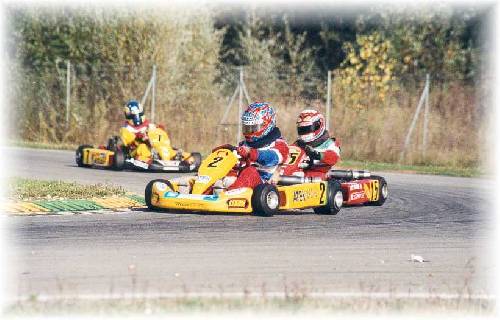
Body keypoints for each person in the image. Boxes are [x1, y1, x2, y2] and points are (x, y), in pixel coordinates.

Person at [214, 102, 289, 190]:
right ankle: (199, 193)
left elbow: (272, 158)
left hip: (264, 184)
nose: (249, 132)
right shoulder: (245, 144)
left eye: (253, 128)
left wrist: (251, 153)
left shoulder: (279, 144)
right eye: (247, 128)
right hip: (241, 181)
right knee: (219, 173)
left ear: (266, 125)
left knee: (250, 172)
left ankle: (228, 195)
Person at [119, 99, 178, 164]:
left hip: (154, 146)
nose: (136, 117)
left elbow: (156, 134)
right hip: (136, 150)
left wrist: (159, 131)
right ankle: (153, 157)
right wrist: (139, 137)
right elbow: (128, 142)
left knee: (165, 144)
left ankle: (173, 156)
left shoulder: (149, 125)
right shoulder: (126, 129)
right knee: (142, 148)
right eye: (133, 114)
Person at [292, 109, 341, 179]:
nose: (305, 132)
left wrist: (318, 155)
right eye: (302, 129)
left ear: (318, 125)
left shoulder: (330, 143)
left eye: (308, 128)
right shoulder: (298, 144)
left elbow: (333, 157)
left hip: (319, 176)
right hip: (298, 174)